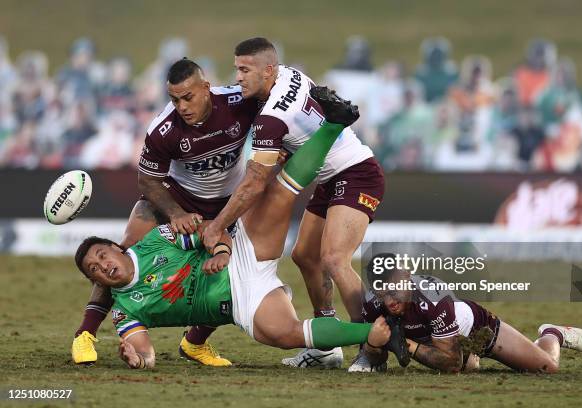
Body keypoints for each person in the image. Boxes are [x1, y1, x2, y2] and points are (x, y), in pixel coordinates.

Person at [73, 88, 409, 369]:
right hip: (242, 301)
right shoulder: (122, 311)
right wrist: (138, 359)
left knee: (278, 192)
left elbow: (211, 232)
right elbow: (145, 350)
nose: (102, 265)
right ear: (95, 281)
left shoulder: (153, 242)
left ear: (116, 247)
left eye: (101, 255)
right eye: (94, 269)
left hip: (244, 253)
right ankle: (374, 333)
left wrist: (221, 250)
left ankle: (333, 124)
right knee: (282, 333)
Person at [202, 37, 385, 369]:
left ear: (268, 69)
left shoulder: (271, 119)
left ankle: (373, 346)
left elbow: (256, 183)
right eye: (236, 69)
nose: (238, 77)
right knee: (303, 256)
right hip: (331, 178)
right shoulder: (290, 74)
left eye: (245, 70)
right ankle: (327, 346)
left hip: (358, 173)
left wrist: (217, 226)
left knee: (334, 260)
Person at [71, 58, 260, 367]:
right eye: (174, 99)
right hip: (179, 202)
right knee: (117, 258)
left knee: (231, 272)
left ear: (206, 88)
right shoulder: (163, 129)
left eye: (187, 97)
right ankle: (85, 335)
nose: (181, 106)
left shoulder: (239, 101)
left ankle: (194, 343)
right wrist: (174, 213)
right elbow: (146, 179)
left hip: (228, 205)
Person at [350, 254, 582, 373]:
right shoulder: (373, 303)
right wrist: (373, 344)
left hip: (477, 328)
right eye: (383, 294)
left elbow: (451, 364)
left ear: (406, 278)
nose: (390, 301)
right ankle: (472, 358)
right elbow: (376, 360)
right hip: (442, 341)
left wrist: (405, 344)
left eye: (395, 291)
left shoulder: (433, 296)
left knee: (547, 369)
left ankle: (553, 334)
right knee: (470, 369)